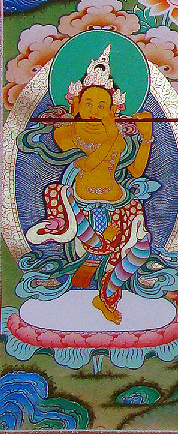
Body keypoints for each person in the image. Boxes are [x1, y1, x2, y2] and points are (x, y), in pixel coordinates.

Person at [24, 45, 155, 324]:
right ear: (76, 105)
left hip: (118, 202)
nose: (95, 110)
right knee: (93, 251)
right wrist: (111, 137)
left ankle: (106, 295)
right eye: (89, 104)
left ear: (113, 110)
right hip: (79, 203)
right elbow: (86, 164)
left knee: (141, 247)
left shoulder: (118, 136)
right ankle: (74, 300)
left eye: (102, 106)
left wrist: (146, 138)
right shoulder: (66, 132)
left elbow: (135, 170)